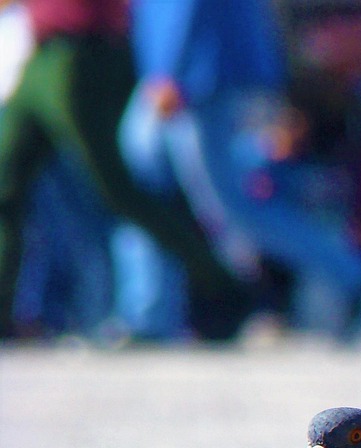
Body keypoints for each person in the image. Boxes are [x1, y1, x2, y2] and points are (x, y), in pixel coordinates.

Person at [128, 0, 361, 341]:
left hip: (198, 71)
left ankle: (352, 275)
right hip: (177, 69)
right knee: (140, 184)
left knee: (230, 205)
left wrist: (169, 69)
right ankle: (148, 312)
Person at [0, 0, 245, 341]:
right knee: (5, 185)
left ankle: (225, 289)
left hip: (87, 54)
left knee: (121, 190)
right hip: (37, 54)